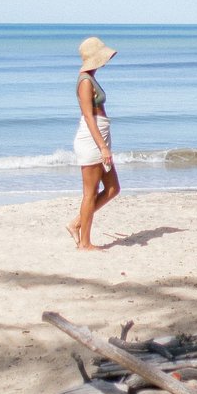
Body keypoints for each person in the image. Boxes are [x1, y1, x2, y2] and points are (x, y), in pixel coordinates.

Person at [67, 36, 121, 250]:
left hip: (100, 136)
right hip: (92, 140)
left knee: (113, 188)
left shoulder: (91, 77)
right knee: (90, 192)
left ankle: (76, 223)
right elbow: (89, 117)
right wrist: (103, 146)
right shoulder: (85, 81)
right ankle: (85, 243)